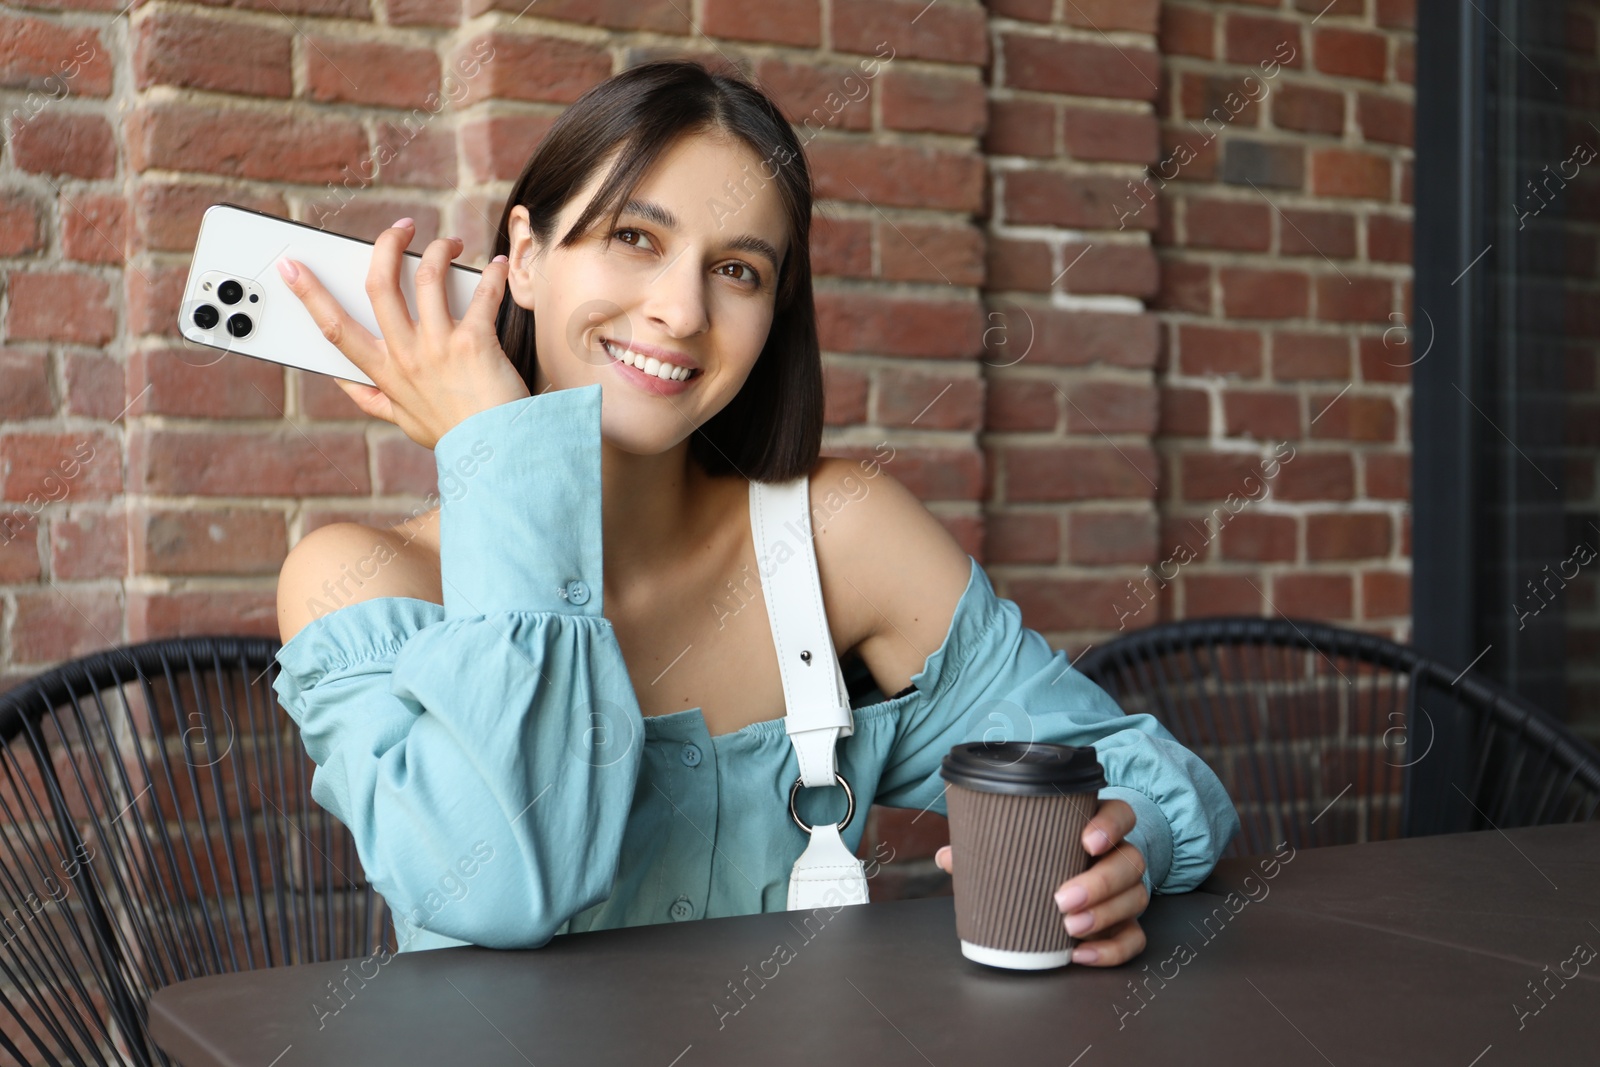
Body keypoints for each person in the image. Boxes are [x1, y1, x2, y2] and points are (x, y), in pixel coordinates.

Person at [271, 59, 1240, 966]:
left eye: (737, 269)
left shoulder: (837, 537)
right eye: (634, 238)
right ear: (522, 257)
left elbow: (1130, 766)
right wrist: (498, 455)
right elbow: (508, 886)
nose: (680, 311)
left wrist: (1127, 844)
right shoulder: (360, 582)